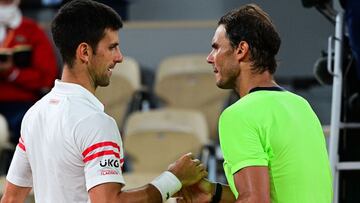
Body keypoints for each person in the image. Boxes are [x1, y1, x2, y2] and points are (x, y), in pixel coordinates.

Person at [0, 0, 207, 202]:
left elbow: (10, 198)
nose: (119, 57)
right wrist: (173, 180)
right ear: (85, 52)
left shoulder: (35, 113)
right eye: (112, 47)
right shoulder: (96, 123)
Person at [177, 4, 333, 203]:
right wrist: (213, 193)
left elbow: (255, 200)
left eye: (216, 47)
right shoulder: (302, 106)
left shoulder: (239, 115)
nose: (209, 58)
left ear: (241, 50)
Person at [0, 0, 58, 146]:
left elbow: (47, 77)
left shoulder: (31, 31)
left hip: (20, 104)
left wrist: (13, 73)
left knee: (32, 127)